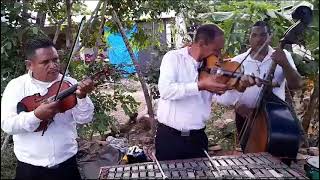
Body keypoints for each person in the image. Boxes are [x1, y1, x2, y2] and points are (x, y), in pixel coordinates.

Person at [155, 24, 258, 161]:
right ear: (202, 43)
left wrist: (241, 87)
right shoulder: (174, 58)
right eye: (216, 50)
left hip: (197, 138)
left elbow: (224, 100)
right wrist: (200, 85)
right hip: (169, 138)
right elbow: (166, 90)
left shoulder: (213, 69)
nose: (219, 55)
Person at [1, 37, 95, 180]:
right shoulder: (16, 86)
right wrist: (35, 116)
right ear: (29, 65)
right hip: (30, 170)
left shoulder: (69, 83)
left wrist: (82, 97)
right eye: (45, 62)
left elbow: (84, 118)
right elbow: (7, 125)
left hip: (67, 166)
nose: (53, 65)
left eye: (55, 60)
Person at [213, 21, 303, 148]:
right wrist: (236, 104)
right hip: (246, 118)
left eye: (263, 35)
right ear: (249, 38)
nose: (259, 39)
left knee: (276, 155)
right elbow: (221, 94)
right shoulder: (237, 61)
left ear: (270, 36)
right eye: (254, 35)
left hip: (274, 117)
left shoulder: (282, 55)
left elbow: (297, 84)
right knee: (250, 157)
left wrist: (284, 63)